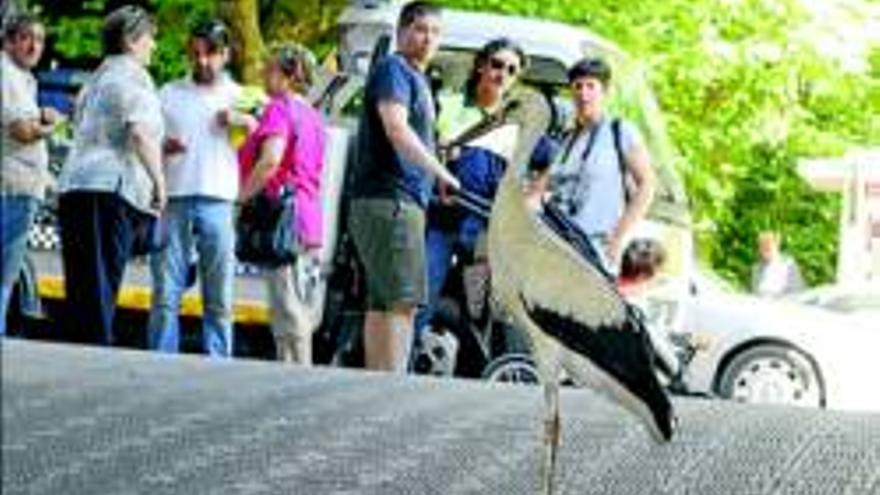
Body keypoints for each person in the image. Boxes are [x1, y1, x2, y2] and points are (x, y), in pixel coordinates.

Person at [347, 1, 460, 372]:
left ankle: (377, 387)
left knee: (382, 302)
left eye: (436, 32)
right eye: (420, 29)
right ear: (401, 31)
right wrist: (441, 173)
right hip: (391, 201)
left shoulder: (415, 78)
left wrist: (434, 178)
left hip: (392, 201)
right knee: (404, 302)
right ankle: (394, 390)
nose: (428, 39)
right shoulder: (395, 69)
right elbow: (396, 128)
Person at [56, 5, 164, 345]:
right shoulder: (133, 76)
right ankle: (96, 359)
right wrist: (160, 182)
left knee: (81, 286)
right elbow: (139, 133)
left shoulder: (96, 79)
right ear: (132, 41)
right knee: (102, 282)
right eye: (150, 38)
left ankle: (79, 359)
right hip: (108, 189)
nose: (154, 46)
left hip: (74, 185)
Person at [414, 37, 525, 354]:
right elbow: (426, 151)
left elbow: (539, 169)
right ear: (481, 65)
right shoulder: (448, 104)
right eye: (497, 64)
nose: (502, 73)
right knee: (421, 298)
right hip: (441, 221)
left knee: (480, 311)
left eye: (511, 69)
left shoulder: (515, 123)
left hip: (482, 234)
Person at [147, 19, 245, 358]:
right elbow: (145, 139)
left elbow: (267, 139)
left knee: (219, 293)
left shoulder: (240, 97)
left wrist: (243, 120)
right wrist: (162, 144)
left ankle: (219, 364)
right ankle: (160, 362)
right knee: (165, 291)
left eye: (211, 54)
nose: (203, 61)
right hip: (174, 198)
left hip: (219, 201)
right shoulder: (169, 93)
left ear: (226, 54)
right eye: (197, 53)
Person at [238, 44, 326, 365]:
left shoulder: (280, 108)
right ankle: (290, 374)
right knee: (295, 301)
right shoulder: (314, 116)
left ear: (288, 76)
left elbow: (270, 161)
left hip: (283, 219)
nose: (263, 72)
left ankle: (296, 380)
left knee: (288, 307)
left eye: (270, 68)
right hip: (308, 219)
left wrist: (241, 197)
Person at [530, 57, 656, 274]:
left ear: (604, 91)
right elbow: (537, 190)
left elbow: (647, 185)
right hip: (556, 247)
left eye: (591, 86)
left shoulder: (620, 131)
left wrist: (618, 237)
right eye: (577, 86)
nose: (583, 93)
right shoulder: (567, 139)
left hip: (595, 253)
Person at [0, 13, 63, 335]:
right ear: (8, 40)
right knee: (3, 278)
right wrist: (49, 126)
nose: (34, 45)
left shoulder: (24, 79)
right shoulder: (5, 73)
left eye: (39, 39)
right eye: (25, 38)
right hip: (10, 188)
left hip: (20, 187)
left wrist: (39, 113)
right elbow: (22, 131)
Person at [751, 230, 804, 297]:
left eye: (768, 248)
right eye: (762, 248)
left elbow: (797, 290)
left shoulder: (788, 264)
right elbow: (755, 292)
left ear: (776, 246)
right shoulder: (756, 268)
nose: (765, 251)